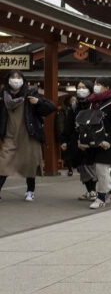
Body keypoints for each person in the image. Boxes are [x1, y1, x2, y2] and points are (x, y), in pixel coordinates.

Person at [0, 71, 56, 202]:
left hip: (30, 135)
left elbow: (51, 107)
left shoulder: (31, 94)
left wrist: (39, 102)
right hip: (10, 136)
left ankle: (30, 191)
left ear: (23, 80)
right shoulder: (3, 96)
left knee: (30, 165)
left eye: (18, 77)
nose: (15, 80)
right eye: (12, 77)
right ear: (7, 80)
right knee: (3, 164)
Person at [86, 77, 111, 209]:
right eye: (95, 84)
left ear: (107, 87)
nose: (95, 87)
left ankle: (100, 198)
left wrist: (109, 141)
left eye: (98, 84)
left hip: (107, 141)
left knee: (101, 168)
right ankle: (110, 190)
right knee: (99, 169)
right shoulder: (93, 102)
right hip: (94, 140)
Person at [60, 81, 98, 201]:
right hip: (77, 140)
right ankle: (90, 190)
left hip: (92, 139)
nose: (81, 90)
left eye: (84, 87)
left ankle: (92, 190)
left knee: (90, 166)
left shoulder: (95, 104)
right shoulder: (74, 106)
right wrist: (64, 140)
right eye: (79, 88)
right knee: (82, 166)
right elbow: (68, 124)